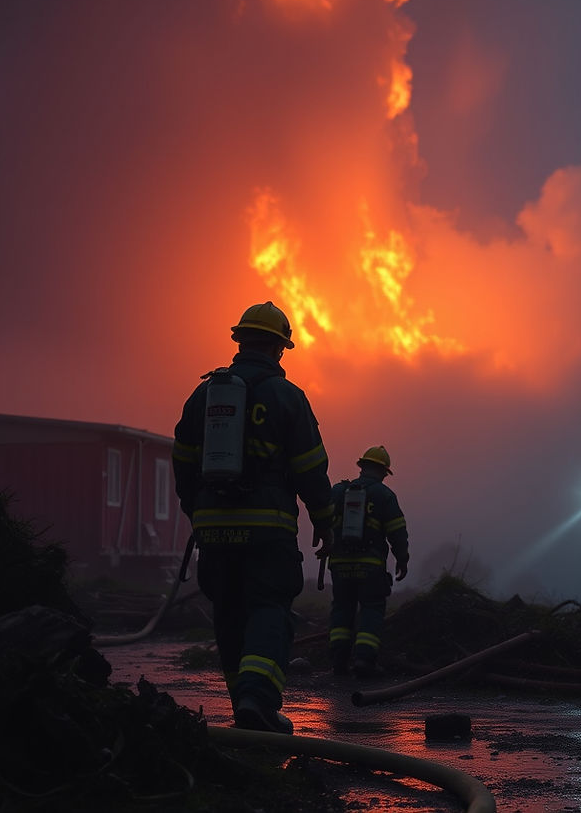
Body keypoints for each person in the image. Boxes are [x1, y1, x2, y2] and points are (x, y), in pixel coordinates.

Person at [172, 301, 334, 734]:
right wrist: (325, 520)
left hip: (215, 531)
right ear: (280, 349)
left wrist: (198, 514)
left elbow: (183, 463)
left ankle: (243, 703)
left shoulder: (203, 396)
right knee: (268, 607)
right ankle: (256, 700)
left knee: (228, 612)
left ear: (239, 341)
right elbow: (310, 468)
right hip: (268, 531)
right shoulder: (287, 397)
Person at [326, 445, 409, 677]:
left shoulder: (339, 491)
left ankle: (338, 662)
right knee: (372, 609)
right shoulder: (385, 496)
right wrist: (402, 559)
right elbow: (397, 531)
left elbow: (323, 518)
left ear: (362, 467)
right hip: (370, 566)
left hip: (340, 565)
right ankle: (364, 661)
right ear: (383, 472)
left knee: (342, 608)